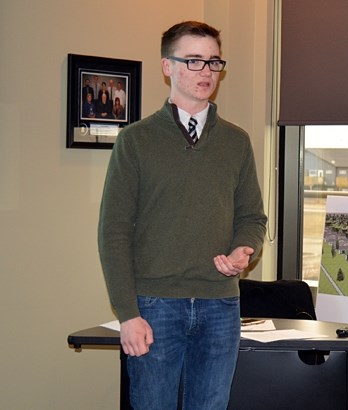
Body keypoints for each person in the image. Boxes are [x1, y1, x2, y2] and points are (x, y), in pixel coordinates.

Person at [98, 20, 267, 409]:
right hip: (156, 306)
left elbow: (252, 217)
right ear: (167, 66)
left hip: (221, 305)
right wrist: (127, 314)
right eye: (193, 61)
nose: (206, 72)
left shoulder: (236, 141)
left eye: (213, 62)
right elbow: (114, 233)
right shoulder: (135, 141)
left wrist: (245, 249)